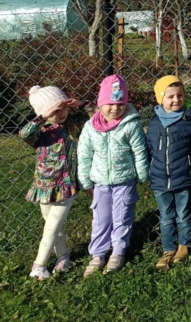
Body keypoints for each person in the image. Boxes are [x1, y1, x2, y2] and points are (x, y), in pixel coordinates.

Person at [77, 75, 149, 277]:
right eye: (110, 104)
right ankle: (98, 254)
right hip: (100, 183)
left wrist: (142, 173)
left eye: (120, 104)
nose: (115, 109)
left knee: (122, 216)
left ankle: (118, 251)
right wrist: (85, 179)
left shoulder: (130, 124)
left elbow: (139, 150)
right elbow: (84, 154)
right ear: (101, 103)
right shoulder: (91, 127)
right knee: (101, 218)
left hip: (124, 181)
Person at [20, 86, 89, 279]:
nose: (61, 114)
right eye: (55, 111)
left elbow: (98, 114)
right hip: (44, 187)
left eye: (63, 108)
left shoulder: (73, 124)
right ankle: (63, 257)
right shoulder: (39, 132)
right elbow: (24, 134)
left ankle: (39, 265)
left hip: (65, 186)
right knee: (53, 225)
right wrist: (42, 117)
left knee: (52, 226)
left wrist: (81, 104)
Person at [147, 75, 191, 270]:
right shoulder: (155, 124)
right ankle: (168, 248)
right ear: (160, 98)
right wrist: (149, 168)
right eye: (170, 96)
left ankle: (184, 245)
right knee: (165, 216)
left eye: (180, 95)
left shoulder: (190, 122)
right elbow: (150, 149)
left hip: (184, 177)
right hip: (160, 179)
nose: (176, 100)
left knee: (184, 214)